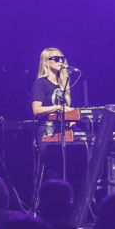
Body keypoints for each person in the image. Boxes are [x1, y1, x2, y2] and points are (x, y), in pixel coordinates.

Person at [31, 47, 73, 180]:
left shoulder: (63, 84)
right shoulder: (40, 83)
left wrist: (72, 121)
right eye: (56, 58)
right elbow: (36, 109)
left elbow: (66, 108)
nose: (60, 61)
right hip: (47, 129)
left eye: (62, 58)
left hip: (63, 129)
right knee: (52, 171)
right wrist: (57, 107)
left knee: (65, 170)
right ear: (45, 62)